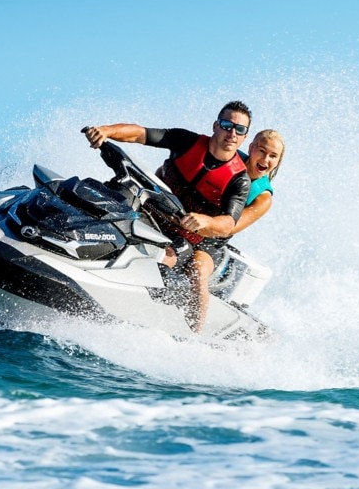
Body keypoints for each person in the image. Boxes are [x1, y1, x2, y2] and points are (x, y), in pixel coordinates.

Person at [83, 101, 253, 333]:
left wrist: (206, 222)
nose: (232, 133)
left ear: (244, 136)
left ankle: (195, 335)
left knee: (172, 261)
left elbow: (228, 223)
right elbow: (141, 134)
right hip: (152, 215)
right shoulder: (187, 142)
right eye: (226, 125)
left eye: (239, 129)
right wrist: (106, 131)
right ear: (215, 126)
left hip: (190, 237)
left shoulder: (239, 180)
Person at [228, 129, 284, 237]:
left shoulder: (263, 198)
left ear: (278, 161)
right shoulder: (229, 157)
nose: (265, 159)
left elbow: (229, 229)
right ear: (251, 148)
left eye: (273, 156)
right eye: (262, 151)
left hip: (212, 238)